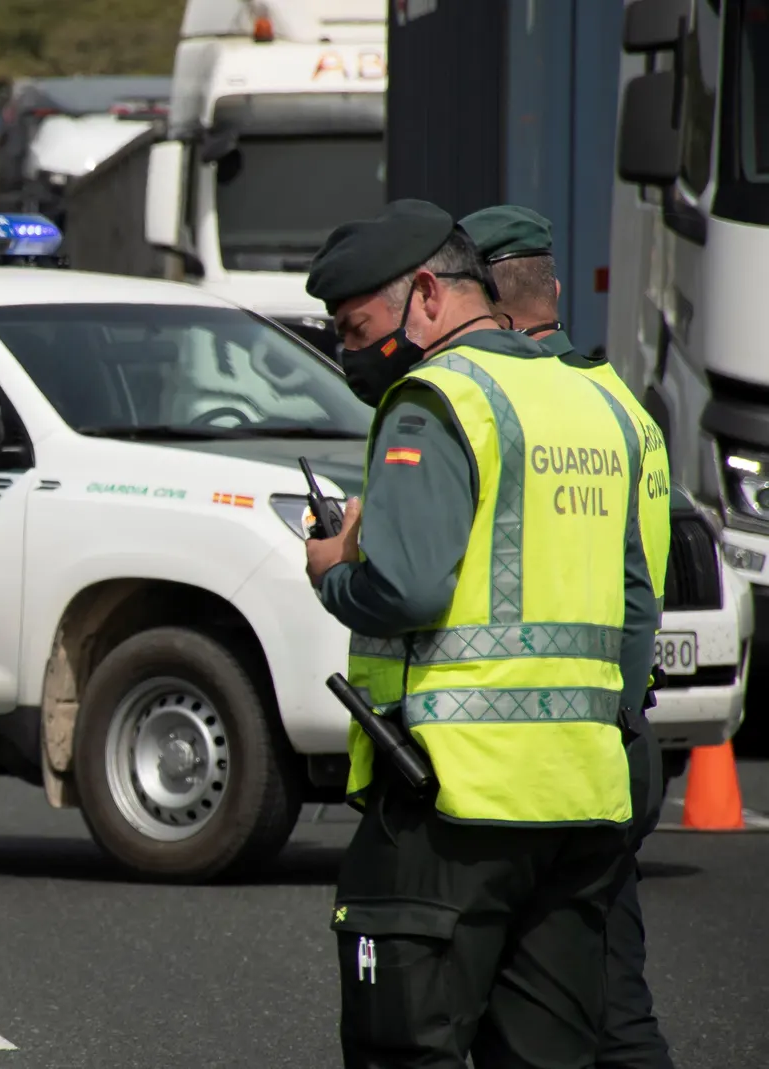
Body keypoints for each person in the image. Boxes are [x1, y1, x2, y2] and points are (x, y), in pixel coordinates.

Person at [302, 199, 657, 1067]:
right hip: (581, 796)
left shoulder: (437, 399)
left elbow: (408, 584)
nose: (353, 353)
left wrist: (332, 570)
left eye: (359, 328)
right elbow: (636, 602)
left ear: (428, 294)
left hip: (455, 798)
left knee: (406, 1047)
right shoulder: (596, 402)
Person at [461, 204, 674, 1069]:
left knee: (494, 1009)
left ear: (486, 303)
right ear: (551, 286)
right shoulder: (620, 403)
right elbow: (638, 583)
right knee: (615, 1001)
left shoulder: (500, 404)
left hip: (522, 754)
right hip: (617, 734)